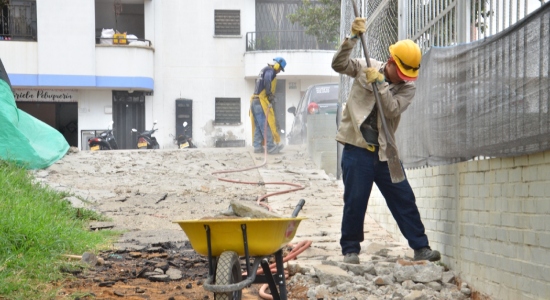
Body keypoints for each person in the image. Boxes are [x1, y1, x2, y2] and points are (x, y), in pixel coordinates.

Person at [331, 17, 441, 264]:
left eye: (407, 75)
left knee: (404, 198)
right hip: (357, 148)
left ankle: (421, 248)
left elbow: (391, 109)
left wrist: (380, 84)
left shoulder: (407, 88)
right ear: (391, 62)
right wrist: (352, 39)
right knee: (355, 200)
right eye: (400, 73)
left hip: (385, 154)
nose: (403, 78)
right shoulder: (364, 66)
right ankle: (350, 250)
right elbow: (338, 64)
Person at [250, 57, 286, 154]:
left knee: (259, 126)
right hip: (260, 102)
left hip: (254, 102)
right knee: (266, 125)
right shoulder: (270, 70)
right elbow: (267, 80)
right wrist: (269, 94)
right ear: (277, 65)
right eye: (280, 69)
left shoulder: (264, 70)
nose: (279, 72)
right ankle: (270, 147)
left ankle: (257, 147)